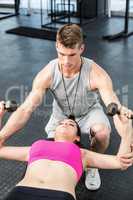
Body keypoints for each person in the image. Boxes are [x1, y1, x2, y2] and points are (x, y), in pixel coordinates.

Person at [0, 24, 132, 190]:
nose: (66, 61)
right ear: (56, 46)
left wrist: (127, 132)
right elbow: (26, 109)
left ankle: (92, 167)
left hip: (89, 111)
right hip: (61, 115)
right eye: (61, 54)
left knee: (102, 132)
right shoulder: (47, 73)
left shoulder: (96, 73)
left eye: (72, 55)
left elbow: (115, 108)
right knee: (50, 148)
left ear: (82, 48)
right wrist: (1, 136)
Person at [0, 102, 133, 200]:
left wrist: (127, 128)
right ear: (54, 130)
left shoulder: (82, 153)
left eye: (71, 124)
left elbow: (121, 162)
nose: (65, 124)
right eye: (61, 123)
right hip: (21, 193)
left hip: (59, 195)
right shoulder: (36, 146)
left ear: (77, 137)